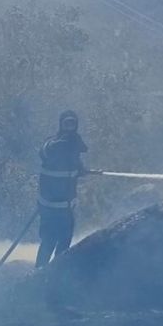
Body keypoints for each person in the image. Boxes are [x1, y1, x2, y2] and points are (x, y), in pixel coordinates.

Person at [35, 110, 92, 267]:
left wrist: (82, 170)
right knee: (49, 240)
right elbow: (45, 152)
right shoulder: (53, 143)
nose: (69, 126)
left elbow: (74, 167)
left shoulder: (75, 146)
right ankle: (38, 273)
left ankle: (55, 272)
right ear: (61, 124)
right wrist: (60, 144)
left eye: (72, 123)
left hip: (66, 208)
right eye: (66, 123)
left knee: (65, 240)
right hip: (49, 207)